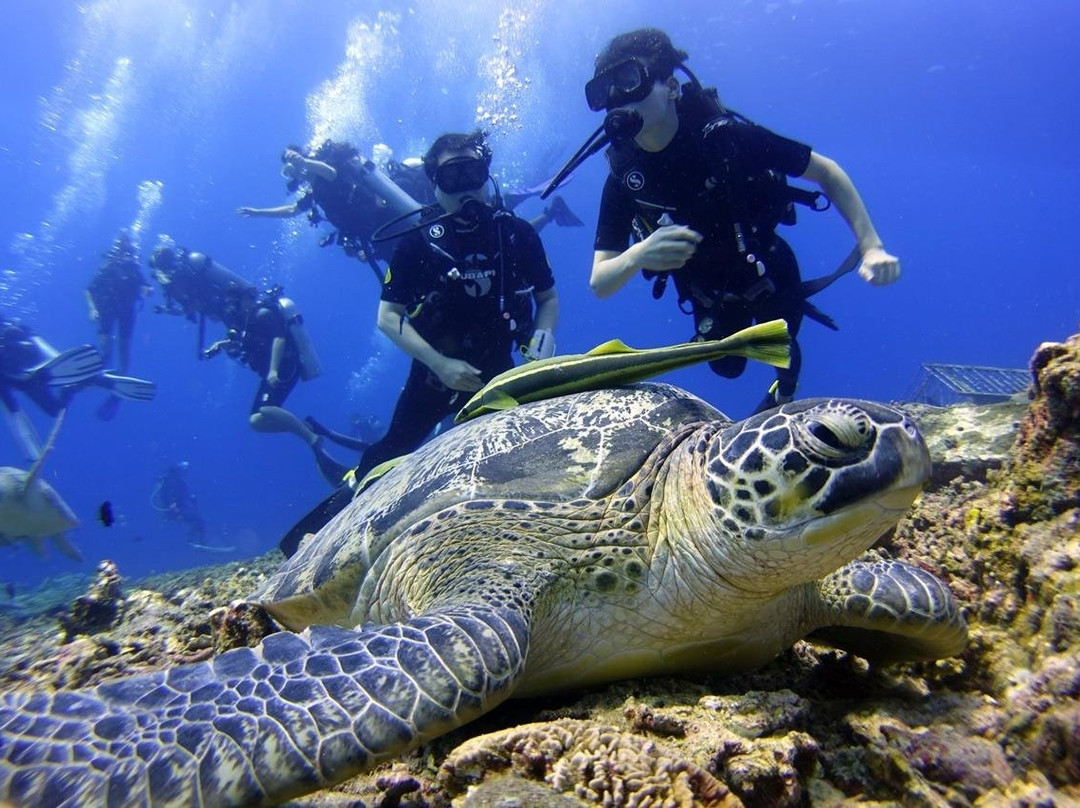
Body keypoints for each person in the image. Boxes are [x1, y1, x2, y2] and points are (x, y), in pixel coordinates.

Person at [585, 28, 901, 414]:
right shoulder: (623, 176)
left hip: (765, 271)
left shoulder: (726, 138)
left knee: (784, 353)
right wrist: (637, 255)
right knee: (727, 366)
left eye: (629, 81)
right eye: (604, 91)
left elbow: (827, 173)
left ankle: (784, 394)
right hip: (704, 291)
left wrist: (872, 247)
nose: (617, 100)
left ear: (670, 86)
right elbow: (600, 282)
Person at [348, 130, 559, 483]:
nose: (466, 188)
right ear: (434, 185)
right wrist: (439, 363)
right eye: (451, 177)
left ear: (487, 178)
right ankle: (336, 511)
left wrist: (544, 336)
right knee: (389, 455)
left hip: (499, 372)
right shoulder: (417, 244)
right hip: (432, 377)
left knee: (510, 464)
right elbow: (388, 317)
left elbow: (547, 298)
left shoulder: (518, 235)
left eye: (474, 174)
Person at [238, 141, 583, 275]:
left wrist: (303, 162)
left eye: (291, 161)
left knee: (490, 220)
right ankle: (551, 212)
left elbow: (328, 172)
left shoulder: (326, 171)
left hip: (398, 218)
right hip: (387, 237)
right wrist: (258, 212)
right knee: (482, 248)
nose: (292, 168)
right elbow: (292, 212)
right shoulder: (313, 193)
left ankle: (531, 201)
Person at [199, 285, 350, 487]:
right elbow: (244, 344)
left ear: (246, 299)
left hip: (285, 366)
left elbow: (279, 338)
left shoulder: (262, 313)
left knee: (267, 409)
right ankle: (307, 428)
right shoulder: (245, 322)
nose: (231, 306)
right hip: (272, 371)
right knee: (256, 421)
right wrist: (220, 346)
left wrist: (273, 370)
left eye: (234, 301)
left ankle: (314, 440)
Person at [0, 315, 156, 460]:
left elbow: (10, 406)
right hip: (28, 356)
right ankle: (91, 381)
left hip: (19, 368)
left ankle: (71, 383)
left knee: (46, 392)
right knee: (55, 405)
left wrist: (26, 444)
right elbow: (10, 405)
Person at [85, 231, 153, 419]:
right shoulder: (109, 265)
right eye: (123, 251)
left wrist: (147, 290)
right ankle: (101, 372)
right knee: (108, 346)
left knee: (123, 347)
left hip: (125, 310)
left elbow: (145, 286)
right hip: (107, 308)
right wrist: (93, 309)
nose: (125, 256)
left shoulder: (133, 267)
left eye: (128, 252)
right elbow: (90, 290)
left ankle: (118, 385)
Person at [151, 460, 207, 544]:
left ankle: (193, 539)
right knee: (199, 519)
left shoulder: (175, 481)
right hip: (177, 510)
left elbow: (179, 496)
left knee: (197, 518)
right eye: (183, 471)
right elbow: (171, 497)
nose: (184, 473)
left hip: (179, 509)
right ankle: (197, 541)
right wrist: (175, 510)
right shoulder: (173, 482)